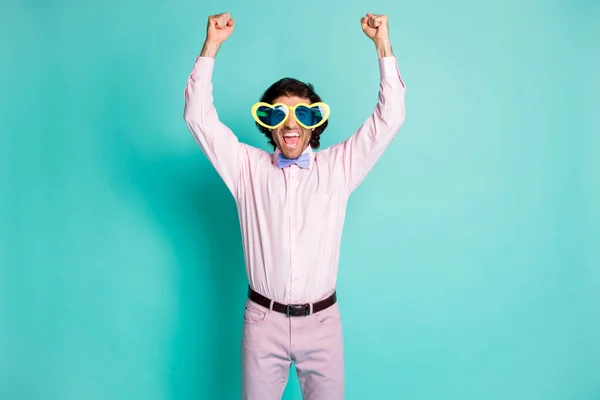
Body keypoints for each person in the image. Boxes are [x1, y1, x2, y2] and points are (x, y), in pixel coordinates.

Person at [183, 11, 406, 400]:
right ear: (267, 123)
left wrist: (382, 45)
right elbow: (198, 117)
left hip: (322, 324)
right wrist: (211, 47)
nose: (291, 125)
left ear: (315, 123)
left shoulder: (339, 167)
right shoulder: (245, 169)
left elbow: (390, 118)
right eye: (278, 114)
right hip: (262, 321)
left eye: (303, 113)